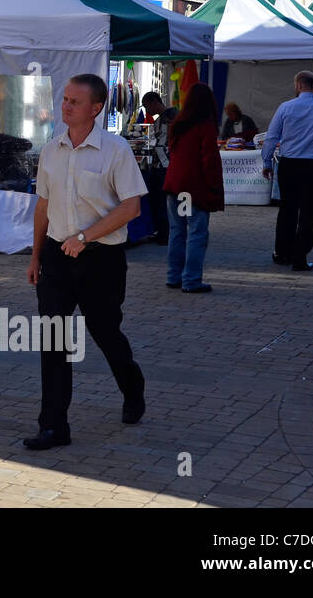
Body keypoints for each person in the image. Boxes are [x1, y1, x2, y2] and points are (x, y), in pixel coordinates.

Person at [24, 74, 147, 450]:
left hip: (101, 260)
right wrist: (35, 254)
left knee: (106, 334)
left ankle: (132, 387)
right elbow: (43, 205)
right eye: (64, 99)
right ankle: (54, 426)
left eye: (74, 102)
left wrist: (85, 237)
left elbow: (132, 206)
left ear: (95, 108)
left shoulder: (116, 150)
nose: (65, 106)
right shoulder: (51, 150)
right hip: (57, 259)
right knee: (54, 341)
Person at [261, 71, 313, 272]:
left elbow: (272, 137)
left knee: (287, 210)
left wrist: (267, 162)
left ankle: (282, 253)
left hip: (289, 165)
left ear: (298, 86)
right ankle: (300, 256)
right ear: (312, 85)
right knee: (309, 213)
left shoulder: (285, 108)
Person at [162, 83, 225, 293]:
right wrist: (214, 187)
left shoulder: (178, 124)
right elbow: (210, 160)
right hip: (193, 188)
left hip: (175, 185)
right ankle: (191, 279)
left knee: (177, 233)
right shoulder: (205, 125)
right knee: (197, 234)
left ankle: (174, 276)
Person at [140, 92, 177, 244]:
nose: (146, 110)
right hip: (158, 165)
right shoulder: (158, 120)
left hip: (166, 166)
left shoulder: (172, 115)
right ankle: (161, 231)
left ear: (154, 102)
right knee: (156, 200)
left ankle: (166, 234)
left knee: (163, 202)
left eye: (147, 105)